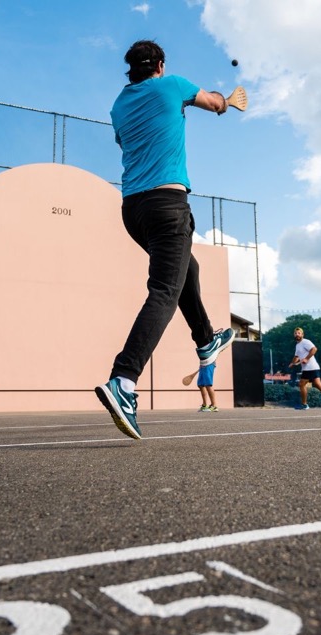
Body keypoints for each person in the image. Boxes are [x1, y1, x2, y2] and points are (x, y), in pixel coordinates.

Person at [95, 39, 235, 440]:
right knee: (164, 292)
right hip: (168, 203)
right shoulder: (172, 84)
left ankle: (206, 340)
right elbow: (215, 104)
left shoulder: (118, 105)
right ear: (159, 64)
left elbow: (127, 142)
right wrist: (229, 99)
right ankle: (123, 380)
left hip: (133, 211)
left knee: (187, 267)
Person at [289, 327, 321, 410]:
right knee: (317, 384)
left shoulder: (305, 342)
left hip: (310, 368)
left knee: (301, 384)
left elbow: (314, 349)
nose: (297, 334)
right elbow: (297, 356)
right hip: (311, 368)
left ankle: (304, 405)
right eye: (295, 333)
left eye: (299, 333)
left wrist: (307, 358)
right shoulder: (298, 345)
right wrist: (292, 363)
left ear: (302, 334)